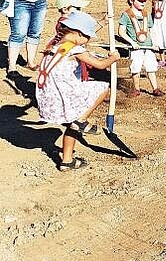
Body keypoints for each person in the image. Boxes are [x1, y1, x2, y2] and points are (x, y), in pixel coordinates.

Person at [35, 12, 120, 171]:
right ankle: (81, 119)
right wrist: (113, 58)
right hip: (64, 93)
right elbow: (100, 65)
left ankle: (67, 161)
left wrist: (100, 24)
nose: (88, 41)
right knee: (103, 87)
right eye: (88, 37)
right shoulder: (75, 48)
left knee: (73, 126)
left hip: (47, 94)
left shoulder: (55, 42)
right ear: (80, 34)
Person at [118, 0, 164, 97]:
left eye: (144, 0)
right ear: (131, 1)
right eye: (140, 0)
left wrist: (154, 43)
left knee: (151, 68)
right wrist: (132, 43)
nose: (143, 3)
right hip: (136, 48)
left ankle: (155, 88)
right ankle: (136, 89)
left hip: (148, 47)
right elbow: (121, 32)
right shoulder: (126, 15)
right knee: (135, 68)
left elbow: (151, 30)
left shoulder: (146, 14)